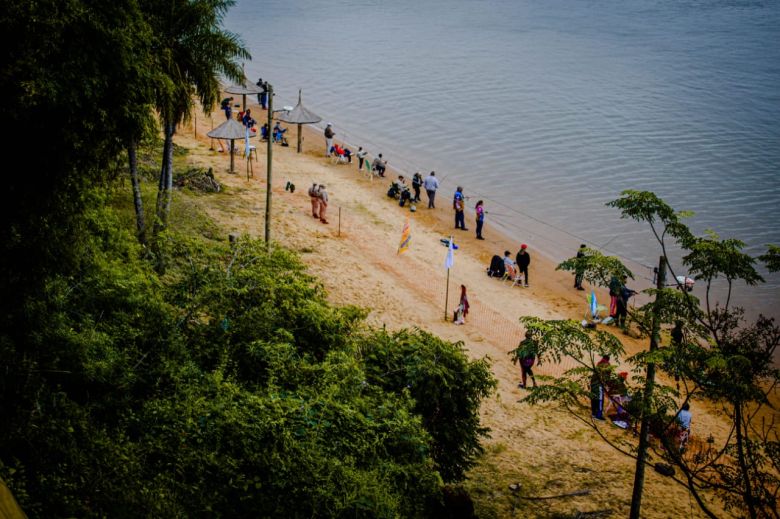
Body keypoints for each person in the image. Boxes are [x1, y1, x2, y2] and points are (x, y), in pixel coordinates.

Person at [590, 355, 612, 420]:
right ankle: (598, 416)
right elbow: (607, 377)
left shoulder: (599, 364)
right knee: (600, 400)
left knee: (594, 398)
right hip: (599, 385)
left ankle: (594, 413)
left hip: (593, 384)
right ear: (608, 360)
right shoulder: (607, 365)